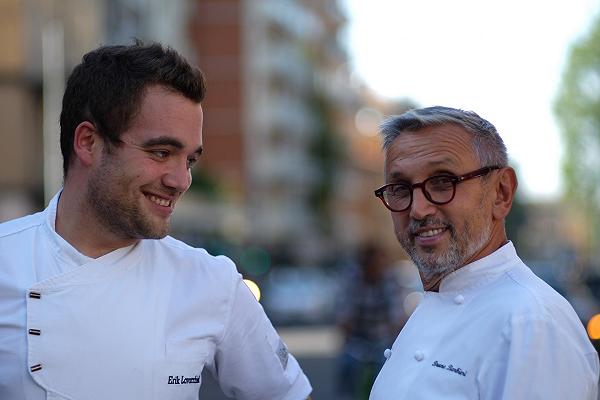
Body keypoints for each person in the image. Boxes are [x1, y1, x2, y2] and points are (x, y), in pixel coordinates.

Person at [0, 41, 312, 400]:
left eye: (189, 160)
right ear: (88, 143)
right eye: (161, 152)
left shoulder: (212, 282)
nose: (180, 181)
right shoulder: (7, 259)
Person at [369, 106, 599, 399]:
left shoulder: (531, 323)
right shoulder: (437, 301)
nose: (418, 209)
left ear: (501, 193)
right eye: (400, 188)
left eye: (443, 182)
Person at [335, 243, 405, 400]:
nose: (377, 268)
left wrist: (391, 336)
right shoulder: (352, 281)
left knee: (386, 369)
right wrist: (347, 328)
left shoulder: (390, 281)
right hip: (357, 339)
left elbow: (397, 316)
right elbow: (343, 313)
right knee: (347, 365)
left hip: (383, 340)